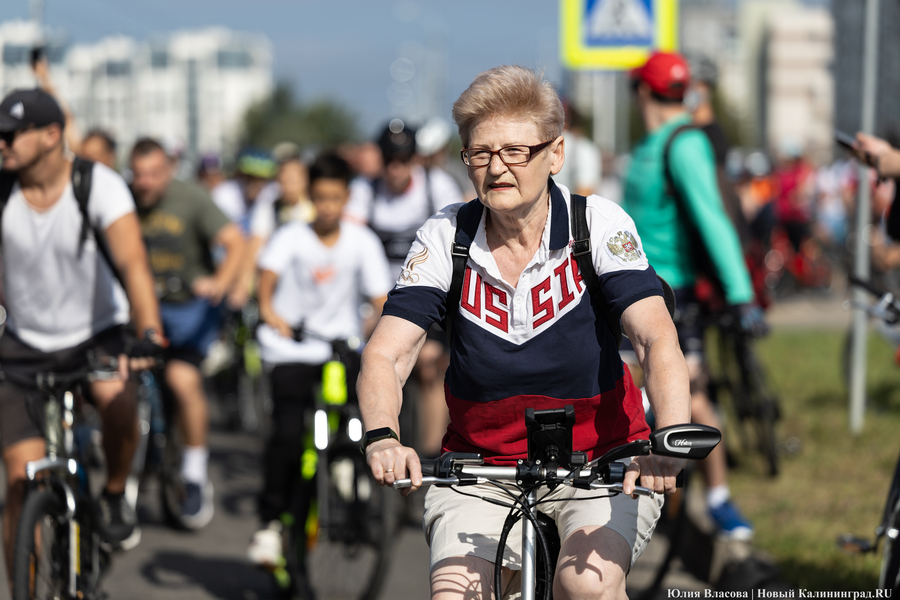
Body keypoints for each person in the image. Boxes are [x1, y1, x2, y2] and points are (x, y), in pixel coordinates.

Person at [359, 65, 689, 600]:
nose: (496, 169)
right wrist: (382, 436)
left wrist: (668, 440)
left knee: (588, 584)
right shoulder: (448, 235)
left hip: (601, 463)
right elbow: (387, 355)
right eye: (480, 153)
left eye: (516, 151)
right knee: (456, 596)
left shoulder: (597, 224)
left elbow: (655, 338)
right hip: (481, 471)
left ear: (555, 154)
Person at [0, 89, 164, 571]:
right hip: (24, 344)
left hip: (96, 335)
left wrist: (148, 332)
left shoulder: (98, 185)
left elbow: (134, 264)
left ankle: (114, 491)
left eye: (10, 135)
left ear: (52, 135)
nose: (2, 144)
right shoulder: (3, 189)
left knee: (119, 400)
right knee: (19, 480)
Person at [622, 51, 759, 540]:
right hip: (630, 292)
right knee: (648, 391)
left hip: (672, 297)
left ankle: (718, 500)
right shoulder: (652, 144)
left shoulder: (683, 143)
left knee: (690, 395)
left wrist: (741, 295)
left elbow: (712, 219)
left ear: (641, 91)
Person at [246, 152, 392, 566]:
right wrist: (273, 317)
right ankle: (271, 524)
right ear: (310, 196)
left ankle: (350, 471)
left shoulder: (361, 241)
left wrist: (371, 330)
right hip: (292, 350)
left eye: (335, 198)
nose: (328, 206)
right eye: (320, 197)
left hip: (338, 349)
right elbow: (266, 285)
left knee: (357, 416)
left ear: (347, 198)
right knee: (289, 434)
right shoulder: (290, 237)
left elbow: (380, 300)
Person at [130, 138, 246, 529]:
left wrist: (219, 282)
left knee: (181, 380)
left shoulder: (191, 199)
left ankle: (195, 472)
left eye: (153, 174)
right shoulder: (124, 201)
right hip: (143, 311)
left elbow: (234, 243)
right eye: (138, 174)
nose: (144, 183)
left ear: (168, 170)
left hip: (188, 311)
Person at [346, 122, 464, 457]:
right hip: (377, 295)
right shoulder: (364, 191)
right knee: (362, 355)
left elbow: (458, 238)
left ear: (415, 159)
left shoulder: (436, 186)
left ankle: (431, 453)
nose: (396, 168)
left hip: (429, 296)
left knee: (430, 365)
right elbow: (352, 242)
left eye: (404, 159)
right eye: (389, 160)